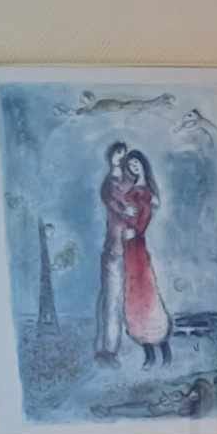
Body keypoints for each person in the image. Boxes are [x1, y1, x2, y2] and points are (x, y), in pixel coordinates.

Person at [120, 150, 172, 367]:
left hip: (137, 245)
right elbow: (127, 215)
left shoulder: (147, 193)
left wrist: (135, 230)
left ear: (143, 164)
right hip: (129, 247)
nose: (134, 168)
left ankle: (164, 350)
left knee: (146, 291)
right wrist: (126, 221)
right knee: (133, 294)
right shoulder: (131, 191)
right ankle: (149, 353)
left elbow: (144, 217)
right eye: (130, 166)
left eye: (136, 164)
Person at [94, 140, 131, 364]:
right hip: (115, 247)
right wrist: (127, 211)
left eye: (123, 154)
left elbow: (140, 201)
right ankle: (108, 351)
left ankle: (106, 348)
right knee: (111, 299)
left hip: (127, 247)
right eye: (118, 152)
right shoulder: (109, 184)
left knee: (114, 298)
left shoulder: (128, 180)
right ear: (110, 155)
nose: (121, 156)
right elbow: (116, 205)